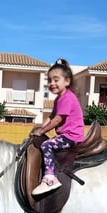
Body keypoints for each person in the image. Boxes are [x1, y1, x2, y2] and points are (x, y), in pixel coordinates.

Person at [31, 58, 85, 196]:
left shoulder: (67, 97)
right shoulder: (59, 99)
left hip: (72, 136)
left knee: (46, 145)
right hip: (65, 135)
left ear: (67, 81)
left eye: (56, 80)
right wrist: (38, 128)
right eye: (49, 80)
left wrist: (42, 131)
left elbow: (57, 119)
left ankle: (50, 178)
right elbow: (50, 117)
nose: (52, 83)